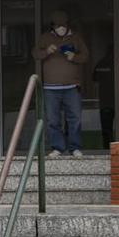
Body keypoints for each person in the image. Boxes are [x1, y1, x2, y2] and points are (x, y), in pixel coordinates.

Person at [39, 11, 87, 156]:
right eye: (58, 26)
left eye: (63, 26)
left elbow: (85, 56)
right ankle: (57, 148)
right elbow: (35, 53)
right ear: (53, 27)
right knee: (53, 120)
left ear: (67, 25)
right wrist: (46, 51)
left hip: (72, 86)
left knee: (75, 118)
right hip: (50, 87)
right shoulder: (45, 38)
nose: (61, 29)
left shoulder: (76, 37)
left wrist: (74, 56)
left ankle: (75, 148)